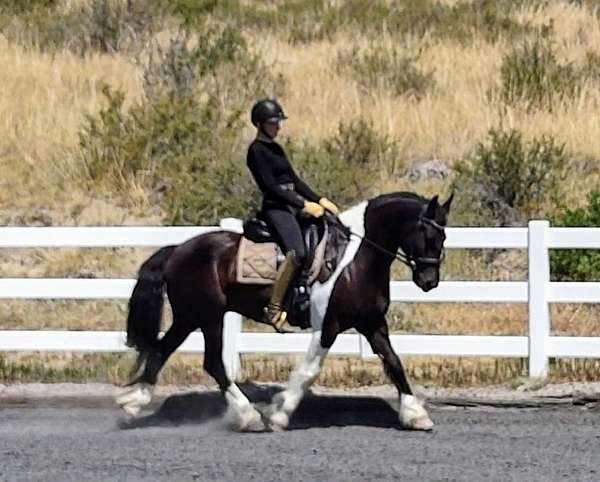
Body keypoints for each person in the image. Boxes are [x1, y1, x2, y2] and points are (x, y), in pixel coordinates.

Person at [247, 98, 339, 329]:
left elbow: (294, 180)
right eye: (273, 122)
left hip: (292, 204)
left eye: (279, 122)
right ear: (260, 124)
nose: (278, 126)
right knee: (296, 251)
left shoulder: (276, 148)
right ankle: (275, 307)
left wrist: (319, 199)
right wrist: (302, 204)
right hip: (276, 207)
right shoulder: (256, 151)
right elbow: (271, 187)